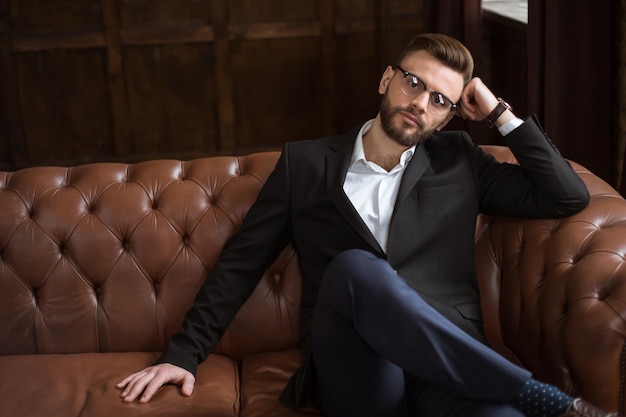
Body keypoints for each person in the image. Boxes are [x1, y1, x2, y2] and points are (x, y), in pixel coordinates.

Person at [116, 33, 616, 417]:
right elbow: (241, 264)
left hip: (449, 368)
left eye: (440, 100)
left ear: (448, 118)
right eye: (413, 83)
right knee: (356, 267)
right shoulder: (305, 165)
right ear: (387, 80)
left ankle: (518, 397)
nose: (420, 103)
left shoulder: (458, 160)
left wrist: (499, 112)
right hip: (361, 373)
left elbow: (564, 194)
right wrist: (183, 355)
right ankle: (536, 395)